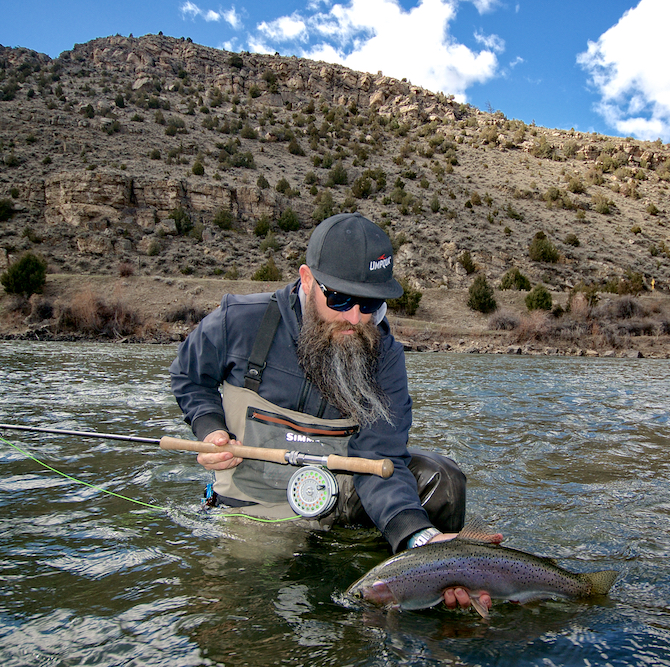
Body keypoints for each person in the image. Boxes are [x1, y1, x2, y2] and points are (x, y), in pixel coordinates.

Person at [169, 212, 497, 612]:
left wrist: (420, 539)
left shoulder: (386, 355)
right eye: (340, 298)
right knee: (247, 606)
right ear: (307, 280)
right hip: (255, 500)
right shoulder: (240, 320)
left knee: (442, 480)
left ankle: (435, 584)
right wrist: (209, 429)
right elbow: (189, 376)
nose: (355, 318)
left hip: (341, 493)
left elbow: (380, 457)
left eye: (370, 303)